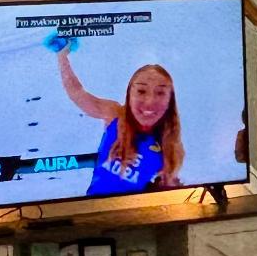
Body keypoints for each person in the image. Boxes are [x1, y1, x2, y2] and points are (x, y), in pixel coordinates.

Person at [56, 46, 185, 195]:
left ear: (170, 100)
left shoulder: (170, 145)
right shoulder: (115, 115)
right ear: (129, 94)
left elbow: (166, 189)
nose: (150, 101)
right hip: (92, 207)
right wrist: (61, 55)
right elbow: (77, 93)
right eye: (141, 91)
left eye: (160, 93)